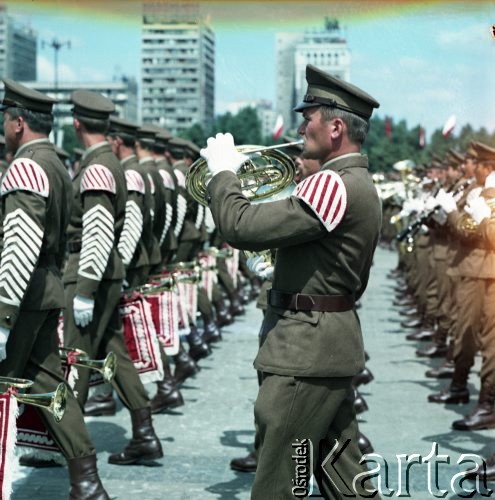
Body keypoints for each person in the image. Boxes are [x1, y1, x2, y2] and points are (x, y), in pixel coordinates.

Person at [200, 64, 381, 498]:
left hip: (306, 351)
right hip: (319, 347)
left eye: (308, 118)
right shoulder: (350, 181)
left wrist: (224, 174)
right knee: (345, 478)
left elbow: (239, 225)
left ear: (336, 127)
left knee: (277, 482)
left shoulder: (334, 182)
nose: (300, 127)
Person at [0, 79, 109, 498]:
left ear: (17, 123)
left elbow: (21, 243)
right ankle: (88, 483)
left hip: (22, 295)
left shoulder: (27, 166)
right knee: (51, 387)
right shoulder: (57, 165)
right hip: (44, 291)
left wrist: (4, 316)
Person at [62, 90, 163, 465]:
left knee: (76, 358)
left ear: (76, 123)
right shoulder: (106, 163)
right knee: (112, 354)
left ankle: (70, 451)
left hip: (89, 274)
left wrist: (85, 289)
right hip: (102, 274)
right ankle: (145, 433)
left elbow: (100, 230)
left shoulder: (99, 167)